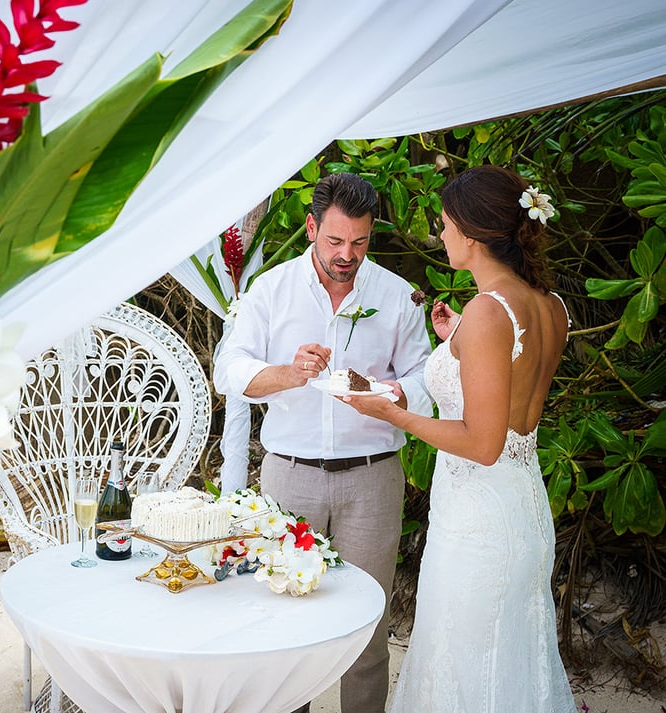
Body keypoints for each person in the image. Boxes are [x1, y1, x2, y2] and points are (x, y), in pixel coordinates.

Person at [340, 164, 574, 712]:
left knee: (467, 663)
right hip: (522, 507)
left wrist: (391, 414)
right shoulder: (549, 305)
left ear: (471, 235)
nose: (441, 235)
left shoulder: (490, 312)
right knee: (506, 657)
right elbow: (506, 388)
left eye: (445, 225)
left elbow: (483, 442)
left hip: (479, 523)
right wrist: (455, 341)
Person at [214, 172, 433, 713]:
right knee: (288, 627)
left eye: (359, 243)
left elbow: (428, 378)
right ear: (311, 227)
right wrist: (289, 373)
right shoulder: (271, 289)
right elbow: (228, 370)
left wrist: (383, 392)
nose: (346, 254)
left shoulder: (395, 294)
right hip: (289, 478)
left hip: (372, 478)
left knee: (368, 629)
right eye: (335, 241)